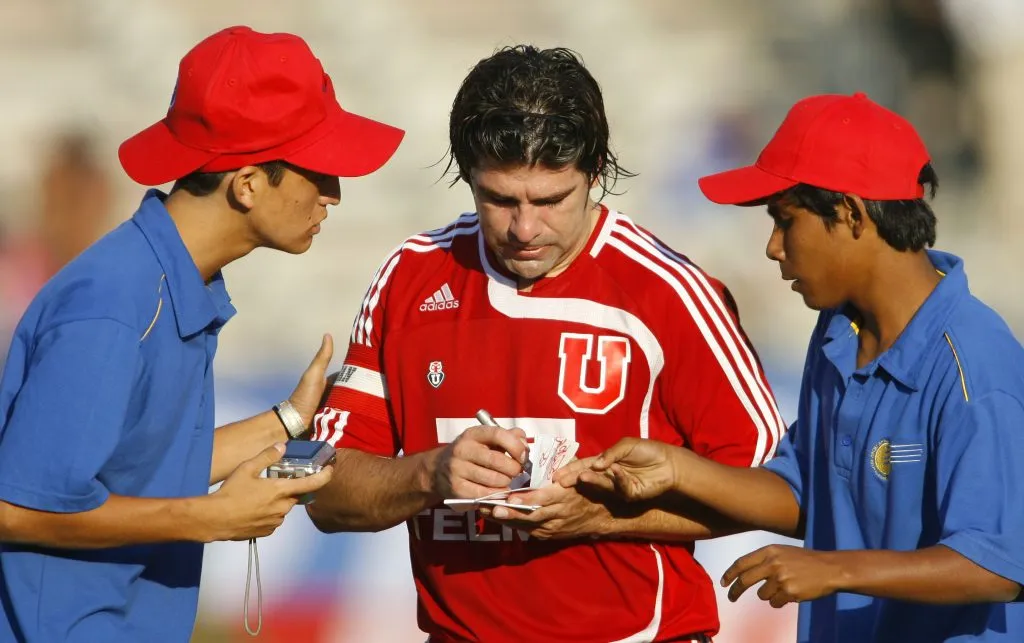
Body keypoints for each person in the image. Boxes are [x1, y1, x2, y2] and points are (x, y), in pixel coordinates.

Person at [305, 45, 785, 643]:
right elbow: (326, 496)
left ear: (595, 175)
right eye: (499, 199)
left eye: (551, 201)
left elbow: (775, 490)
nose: (524, 229)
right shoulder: (410, 277)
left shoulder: (669, 292)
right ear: (466, 177)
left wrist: (603, 517)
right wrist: (432, 473)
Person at [562, 92, 1024, 643]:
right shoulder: (838, 332)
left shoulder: (973, 360)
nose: (773, 247)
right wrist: (678, 468)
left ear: (851, 214)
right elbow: (808, 493)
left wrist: (833, 569)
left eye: (785, 220)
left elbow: (998, 564)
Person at [0, 25, 404, 643]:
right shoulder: (114, 302)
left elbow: (134, 471)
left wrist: (289, 418)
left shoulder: (167, 282)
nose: (334, 194)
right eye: (318, 170)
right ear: (246, 183)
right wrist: (210, 517)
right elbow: (17, 508)